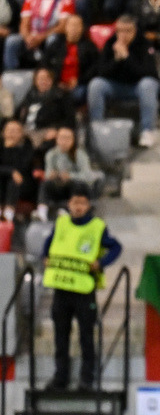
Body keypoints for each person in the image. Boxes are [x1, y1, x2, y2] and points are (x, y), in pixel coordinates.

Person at [41, 181, 122, 391]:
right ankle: (61, 377)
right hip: (61, 288)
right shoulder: (61, 223)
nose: (78, 207)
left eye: (83, 203)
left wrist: (101, 263)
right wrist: (45, 256)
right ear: (69, 203)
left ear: (88, 205)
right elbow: (49, 243)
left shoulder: (97, 227)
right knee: (61, 336)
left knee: (86, 335)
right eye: (75, 202)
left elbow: (116, 247)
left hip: (84, 290)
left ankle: (87, 378)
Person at [87, 14, 160, 148]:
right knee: (96, 85)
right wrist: (116, 60)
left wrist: (127, 57)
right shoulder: (110, 44)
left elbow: (147, 72)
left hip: (137, 86)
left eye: (128, 31)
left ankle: (147, 131)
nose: (123, 35)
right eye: (120, 31)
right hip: (116, 86)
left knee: (148, 84)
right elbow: (101, 71)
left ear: (135, 31)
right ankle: (96, 129)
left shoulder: (144, 44)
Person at [3, 0, 73, 71]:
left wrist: (41, 37)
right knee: (12, 41)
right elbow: (24, 23)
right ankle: (10, 73)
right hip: (31, 35)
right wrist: (27, 37)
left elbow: (62, 26)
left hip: (49, 35)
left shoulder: (66, 1)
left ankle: (49, 72)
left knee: (53, 39)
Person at [39, 126, 101, 217]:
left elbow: (87, 175)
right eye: (62, 138)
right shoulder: (51, 154)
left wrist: (70, 176)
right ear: (57, 140)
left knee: (76, 184)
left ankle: (69, 211)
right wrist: (52, 175)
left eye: (67, 138)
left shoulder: (80, 154)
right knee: (45, 184)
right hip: (59, 185)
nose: (64, 141)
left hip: (76, 186)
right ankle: (42, 212)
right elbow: (48, 173)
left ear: (73, 140)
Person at [43, 13, 100, 105]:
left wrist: (79, 80)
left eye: (77, 25)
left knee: (76, 95)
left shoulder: (90, 47)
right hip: (56, 84)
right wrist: (55, 81)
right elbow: (44, 64)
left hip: (80, 85)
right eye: (71, 25)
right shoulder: (56, 45)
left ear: (82, 29)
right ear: (66, 28)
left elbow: (95, 68)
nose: (74, 28)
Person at [18, 67, 75, 133]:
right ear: (35, 81)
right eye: (40, 79)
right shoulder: (30, 95)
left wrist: (56, 129)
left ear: (52, 80)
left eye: (46, 78)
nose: (43, 81)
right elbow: (19, 114)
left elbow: (70, 120)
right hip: (26, 131)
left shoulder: (61, 96)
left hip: (48, 131)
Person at [0, 118, 36, 220]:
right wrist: (11, 171)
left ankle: (8, 214)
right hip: (4, 182)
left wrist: (12, 149)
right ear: (3, 132)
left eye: (15, 131)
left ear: (21, 134)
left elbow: (23, 168)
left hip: (24, 183)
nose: (12, 133)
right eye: (9, 130)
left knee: (13, 181)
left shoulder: (27, 146)